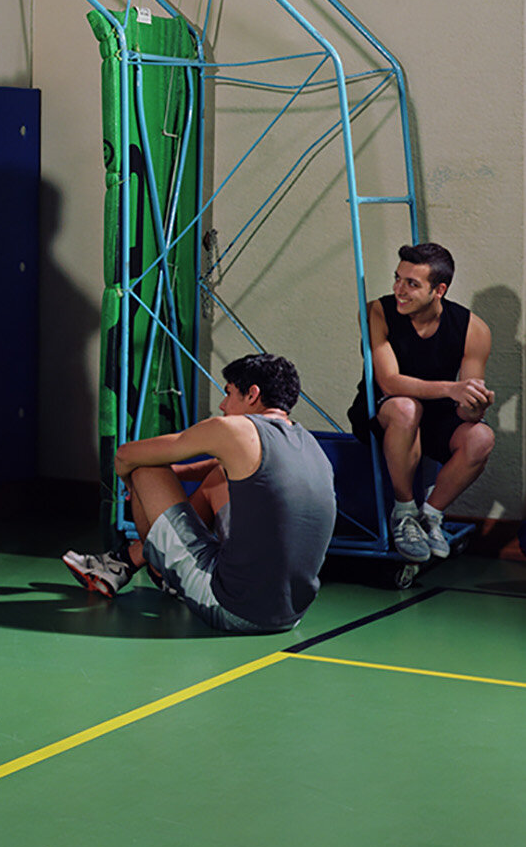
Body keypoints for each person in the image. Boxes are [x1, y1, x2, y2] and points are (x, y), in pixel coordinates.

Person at [61, 353, 336, 633]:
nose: (222, 405)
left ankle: (158, 569)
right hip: (291, 614)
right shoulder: (309, 444)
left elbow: (126, 455)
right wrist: (176, 477)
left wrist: (134, 488)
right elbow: (221, 466)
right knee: (219, 477)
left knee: (144, 467)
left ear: (252, 394)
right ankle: (126, 561)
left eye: (228, 393)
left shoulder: (233, 429)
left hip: (232, 608)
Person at [348, 241, 494, 563]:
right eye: (397, 278)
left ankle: (430, 516)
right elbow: (389, 382)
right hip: (383, 411)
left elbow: (463, 409)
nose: (399, 289)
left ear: (438, 290)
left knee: (482, 436)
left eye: (412, 284)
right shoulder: (377, 312)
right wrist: (452, 388)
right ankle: (404, 512)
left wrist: (475, 404)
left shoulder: (474, 329)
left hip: (437, 416)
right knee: (405, 407)